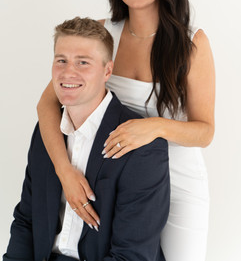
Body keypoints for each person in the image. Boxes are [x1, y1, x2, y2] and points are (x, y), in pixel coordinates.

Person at [37, 0, 215, 261]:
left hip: (179, 184)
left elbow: (204, 131)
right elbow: (47, 103)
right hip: (112, 179)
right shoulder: (103, 32)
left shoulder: (192, 42)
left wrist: (154, 127)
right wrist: (65, 170)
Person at [3, 17, 170, 261]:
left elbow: (131, 256)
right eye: (61, 60)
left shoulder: (143, 147)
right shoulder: (46, 132)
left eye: (83, 62)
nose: (68, 71)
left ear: (108, 71)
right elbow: (26, 221)